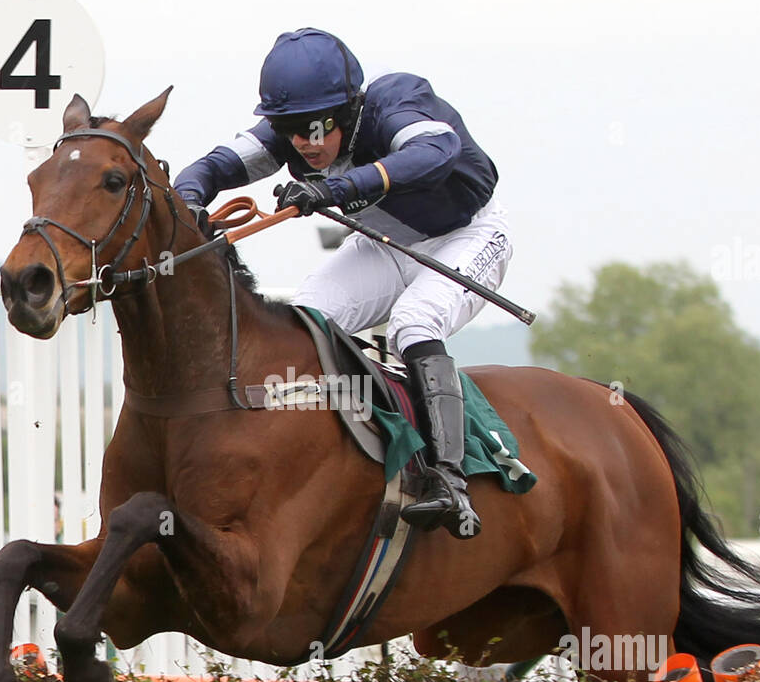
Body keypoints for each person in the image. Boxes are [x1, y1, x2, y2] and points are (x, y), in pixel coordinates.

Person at [174, 28, 512, 539]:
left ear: (350, 109)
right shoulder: (290, 134)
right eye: (292, 129)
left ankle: (449, 480)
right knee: (307, 320)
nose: (307, 142)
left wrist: (335, 188)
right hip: (387, 242)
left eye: (319, 126)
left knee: (414, 322)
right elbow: (210, 167)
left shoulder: (395, 101)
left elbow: (435, 152)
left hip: (467, 234)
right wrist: (191, 202)